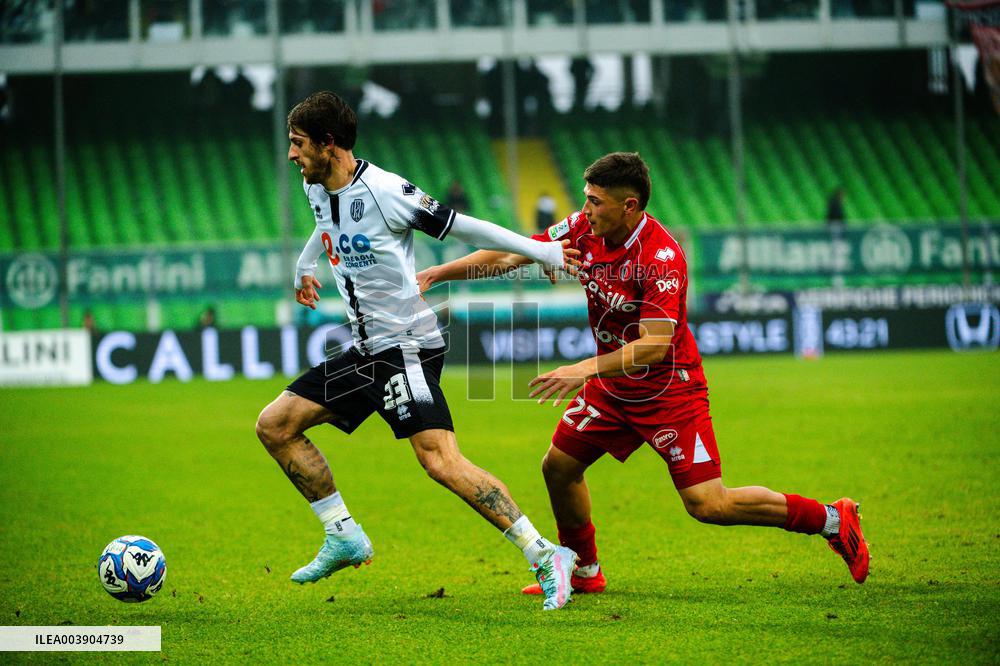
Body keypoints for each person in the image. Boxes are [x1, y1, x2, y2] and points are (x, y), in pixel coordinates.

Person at [417, 152, 870, 597]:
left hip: (668, 389)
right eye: (586, 198)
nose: (585, 209)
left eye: (596, 201)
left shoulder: (662, 258)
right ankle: (584, 570)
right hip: (614, 387)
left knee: (709, 505)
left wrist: (585, 368)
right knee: (559, 467)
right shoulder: (581, 228)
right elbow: (512, 255)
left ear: (628, 205)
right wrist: (439, 273)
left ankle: (832, 518)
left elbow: (654, 346)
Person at [254, 91, 580, 611]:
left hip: (406, 346)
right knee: (275, 425)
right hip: (366, 349)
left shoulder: (386, 191)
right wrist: (304, 265)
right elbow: (327, 222)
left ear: (329, 144)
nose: (291, 155)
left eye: (298, 144)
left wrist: (539, 249)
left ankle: (545, 555)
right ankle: (343, 535)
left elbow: (462, 227)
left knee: (440, 461)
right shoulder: (316, 183)